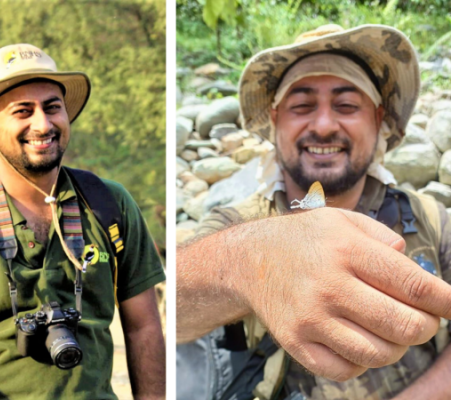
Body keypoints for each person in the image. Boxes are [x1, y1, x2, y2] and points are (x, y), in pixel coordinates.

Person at [177, 24, 451, 400]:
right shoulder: (235, 224)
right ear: (274, 121)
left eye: (347, 105)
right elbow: (172, 310)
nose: (323, 125)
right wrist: (249, 260)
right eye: (302, 106)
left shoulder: (433, 222)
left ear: (378, 118)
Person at [0, 44, 166, 400]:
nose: (42, 124)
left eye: (52, 107)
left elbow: (144, 328)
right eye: (22, 111)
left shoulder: (109, 204)